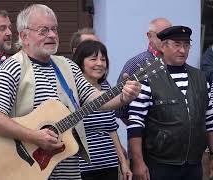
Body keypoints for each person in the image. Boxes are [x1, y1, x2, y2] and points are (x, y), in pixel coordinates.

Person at [0, 4, 140, 180]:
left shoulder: (67, 66)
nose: (52, 35)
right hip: (27, 170)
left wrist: (123, 96)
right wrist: (34, 136)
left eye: (54, 29)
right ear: (24, 36)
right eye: (44, 30)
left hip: (68, 170)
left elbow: (94, 98)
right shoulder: (14, 67)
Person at [128, 25, 213, 180]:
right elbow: (135, 123)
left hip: (193, 165)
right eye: (177, 45)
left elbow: (210, 121)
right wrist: (138, 162)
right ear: (163, 46)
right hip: (159, 164)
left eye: (186, 45)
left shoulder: (201, 78)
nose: (182, 50)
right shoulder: (147, 77)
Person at [73, 40, 132, 180]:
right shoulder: (71, 89)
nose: (100, 63)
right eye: (93, 59)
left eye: (103, 59)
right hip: (81, 167)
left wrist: (123, 162)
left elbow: (111, 128)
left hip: (108, 164)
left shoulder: (105, 86)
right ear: (80, 62)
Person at [115, 17, 172, 125]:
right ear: (149, 36)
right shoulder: (137, 63)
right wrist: (140, 132)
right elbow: (120, 110)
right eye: (162, 35)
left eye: (170, 35)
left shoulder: (176, 62)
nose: (166, 40)